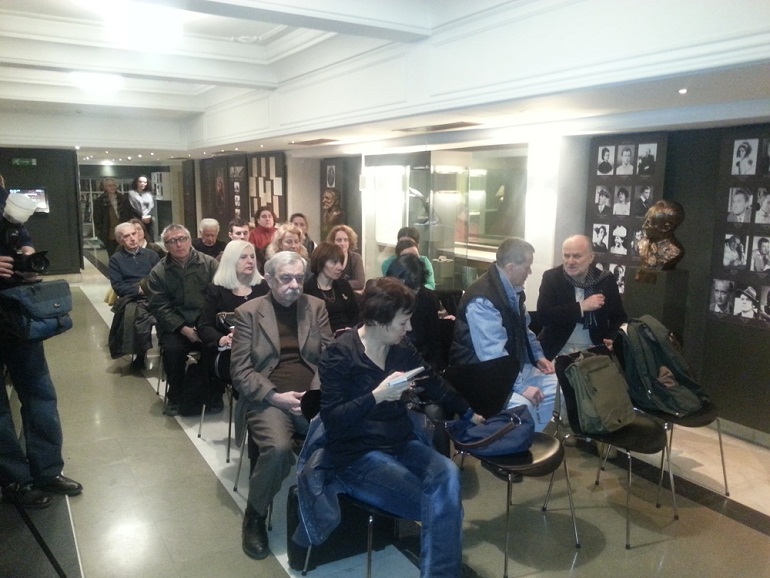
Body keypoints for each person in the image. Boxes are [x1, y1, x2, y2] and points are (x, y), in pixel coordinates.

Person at [304, 277, 483, 578]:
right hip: (357, 453)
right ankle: (444, 571)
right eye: (403, 322)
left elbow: (433, 381)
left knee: (448, 474)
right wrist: (376, 396)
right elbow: (333, 418)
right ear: (378, 320)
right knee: (440, 502)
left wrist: (469, 413)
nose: (408, 329)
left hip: (399, 442)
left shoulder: (400, 347)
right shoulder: (340, 353)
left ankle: (440, 571)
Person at [229, 251, 334, 561]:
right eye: (286, 278)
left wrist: (313, 396)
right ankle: (255, 515)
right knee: (277, 449)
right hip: (268, 399)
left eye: (299, 278)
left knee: (343, 436)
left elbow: (329, 358)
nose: (294, 285)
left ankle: (329, 511)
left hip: (311, 397)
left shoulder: (315, 307)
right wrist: (275, 396)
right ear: (269, 279)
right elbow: (240, 371)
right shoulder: (248, 313)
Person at [0, 183, 82, 509]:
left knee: (40, 395)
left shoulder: (6, 203)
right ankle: (14, 480)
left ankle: (47, 471)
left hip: (16, 311)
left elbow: (22, 238)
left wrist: (27, 256)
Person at [450, 237, 558, 431]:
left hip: (508, 367)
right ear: (510, 267)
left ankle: (532, 437)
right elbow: (492, 355)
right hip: (479, 375)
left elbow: (525, 330)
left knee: (556, 387)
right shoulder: (482, 299)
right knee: (522, 406)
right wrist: (522, 388)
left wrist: (538, 356)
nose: (529, 272)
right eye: (527, 267)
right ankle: (515, 442)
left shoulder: (513, 290)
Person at [147, 224, 218, 416]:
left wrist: (204, 327)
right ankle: (176, 395)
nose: (178, 244)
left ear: (190, 240)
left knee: (215, 346)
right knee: (173, 350)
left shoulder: (210, 264)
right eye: (172, 241)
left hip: (205, 322)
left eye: (182, 239)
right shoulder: (158, 272)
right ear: (166, 246)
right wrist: (185, 329)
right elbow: (160, 308)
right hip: (175, 326)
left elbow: (218, 297)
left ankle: (212, 393)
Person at [197, 241, 268, 411]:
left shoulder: (263, 287)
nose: (250, 261)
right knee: (244, 372)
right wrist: (222, 339)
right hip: (228, 352)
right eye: (243, 257)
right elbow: (204, 326)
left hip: (261, 349)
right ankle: (252, 414)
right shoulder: (216, 290)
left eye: (252, 256)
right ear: (231, 261)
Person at [537, 235, 627, 360]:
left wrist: (612, 339)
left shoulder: (605, 280)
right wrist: (581, 307)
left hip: (594, 350)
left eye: (577, 256)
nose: (570, 262)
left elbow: (619, 318)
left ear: (590, 257)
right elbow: (543, 316)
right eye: (566, 256)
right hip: (557, 349)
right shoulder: (552, 278)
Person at [108, 222, 160, 370]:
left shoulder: (151, 255)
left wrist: (149, 288)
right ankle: (141, 354)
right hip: (132, 297)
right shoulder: (116, 260)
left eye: (134, 234)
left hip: (154, 295)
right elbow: (118, 286)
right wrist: (138, 290)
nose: (132, 238)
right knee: (137, 315)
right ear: (120, 240)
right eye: (126, 236)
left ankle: (168, 349)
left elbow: (161, 277)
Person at [386, 254, 444, 369]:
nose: (404, 294)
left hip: (419, 358)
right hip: (390, 357)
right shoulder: (383, 298)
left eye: (410, 290)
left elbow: (434, 340)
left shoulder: (427, 298)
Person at [303, 242, 359, 332]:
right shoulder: (307, 289)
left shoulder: (343, 285)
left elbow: (355, 315)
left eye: (341, 262)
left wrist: (351, 330)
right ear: (320, 263)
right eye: (334, 262)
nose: (340, 267)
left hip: (348, 334)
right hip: (324, 336)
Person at [638, 200, 685, 270]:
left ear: (666, 227)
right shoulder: (643, 244)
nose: (643, 226)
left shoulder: (674, 251)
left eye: (649, 223)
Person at [93, 177, 134, 256]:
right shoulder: (99, 201)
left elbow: (130, 214)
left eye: (113, 185)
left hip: (124, 230)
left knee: (126, 252)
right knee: (112, 254)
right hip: (108, 233)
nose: (112, 187)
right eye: (109, 185)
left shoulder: (123, 199)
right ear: (105, 187)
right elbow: (97, 218)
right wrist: (101, 232)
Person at [327, 224, 365, 291]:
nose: (342, 243)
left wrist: (338, 285)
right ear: (333, 242)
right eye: (339, 240)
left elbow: (360, 282)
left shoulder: (356, 258)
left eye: (346, 240)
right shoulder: (326, 258)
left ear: (350, 242)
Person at [127, 175, 155, 241]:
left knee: (150, 238)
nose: (143, 184)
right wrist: (141, 217)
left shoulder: (149, 194)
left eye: (145, 182)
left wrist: (149, 216)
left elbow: (152, 207)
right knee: (138, 237)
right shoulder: (132, 193)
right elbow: (132, 207)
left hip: (148, 219)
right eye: (140, 182)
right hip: (137, 218)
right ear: (136, 183)